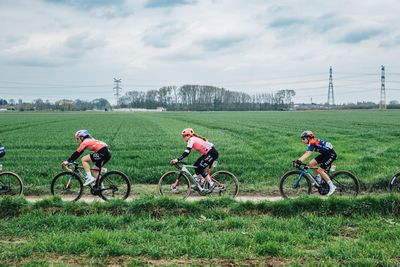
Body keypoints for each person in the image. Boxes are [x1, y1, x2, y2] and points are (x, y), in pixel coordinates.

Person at [293, 130, 337, 196]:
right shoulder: (312, 142)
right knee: (311, 164)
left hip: (330, 155)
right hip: (325, 154)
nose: (302, 140)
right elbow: (307, 152)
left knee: (320, 170)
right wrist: (298, 160)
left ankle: (332, 187)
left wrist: (299, 161)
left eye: (303, 138)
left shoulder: (312, 142)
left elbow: (308, 153)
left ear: (308, 137)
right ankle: (319, 178)